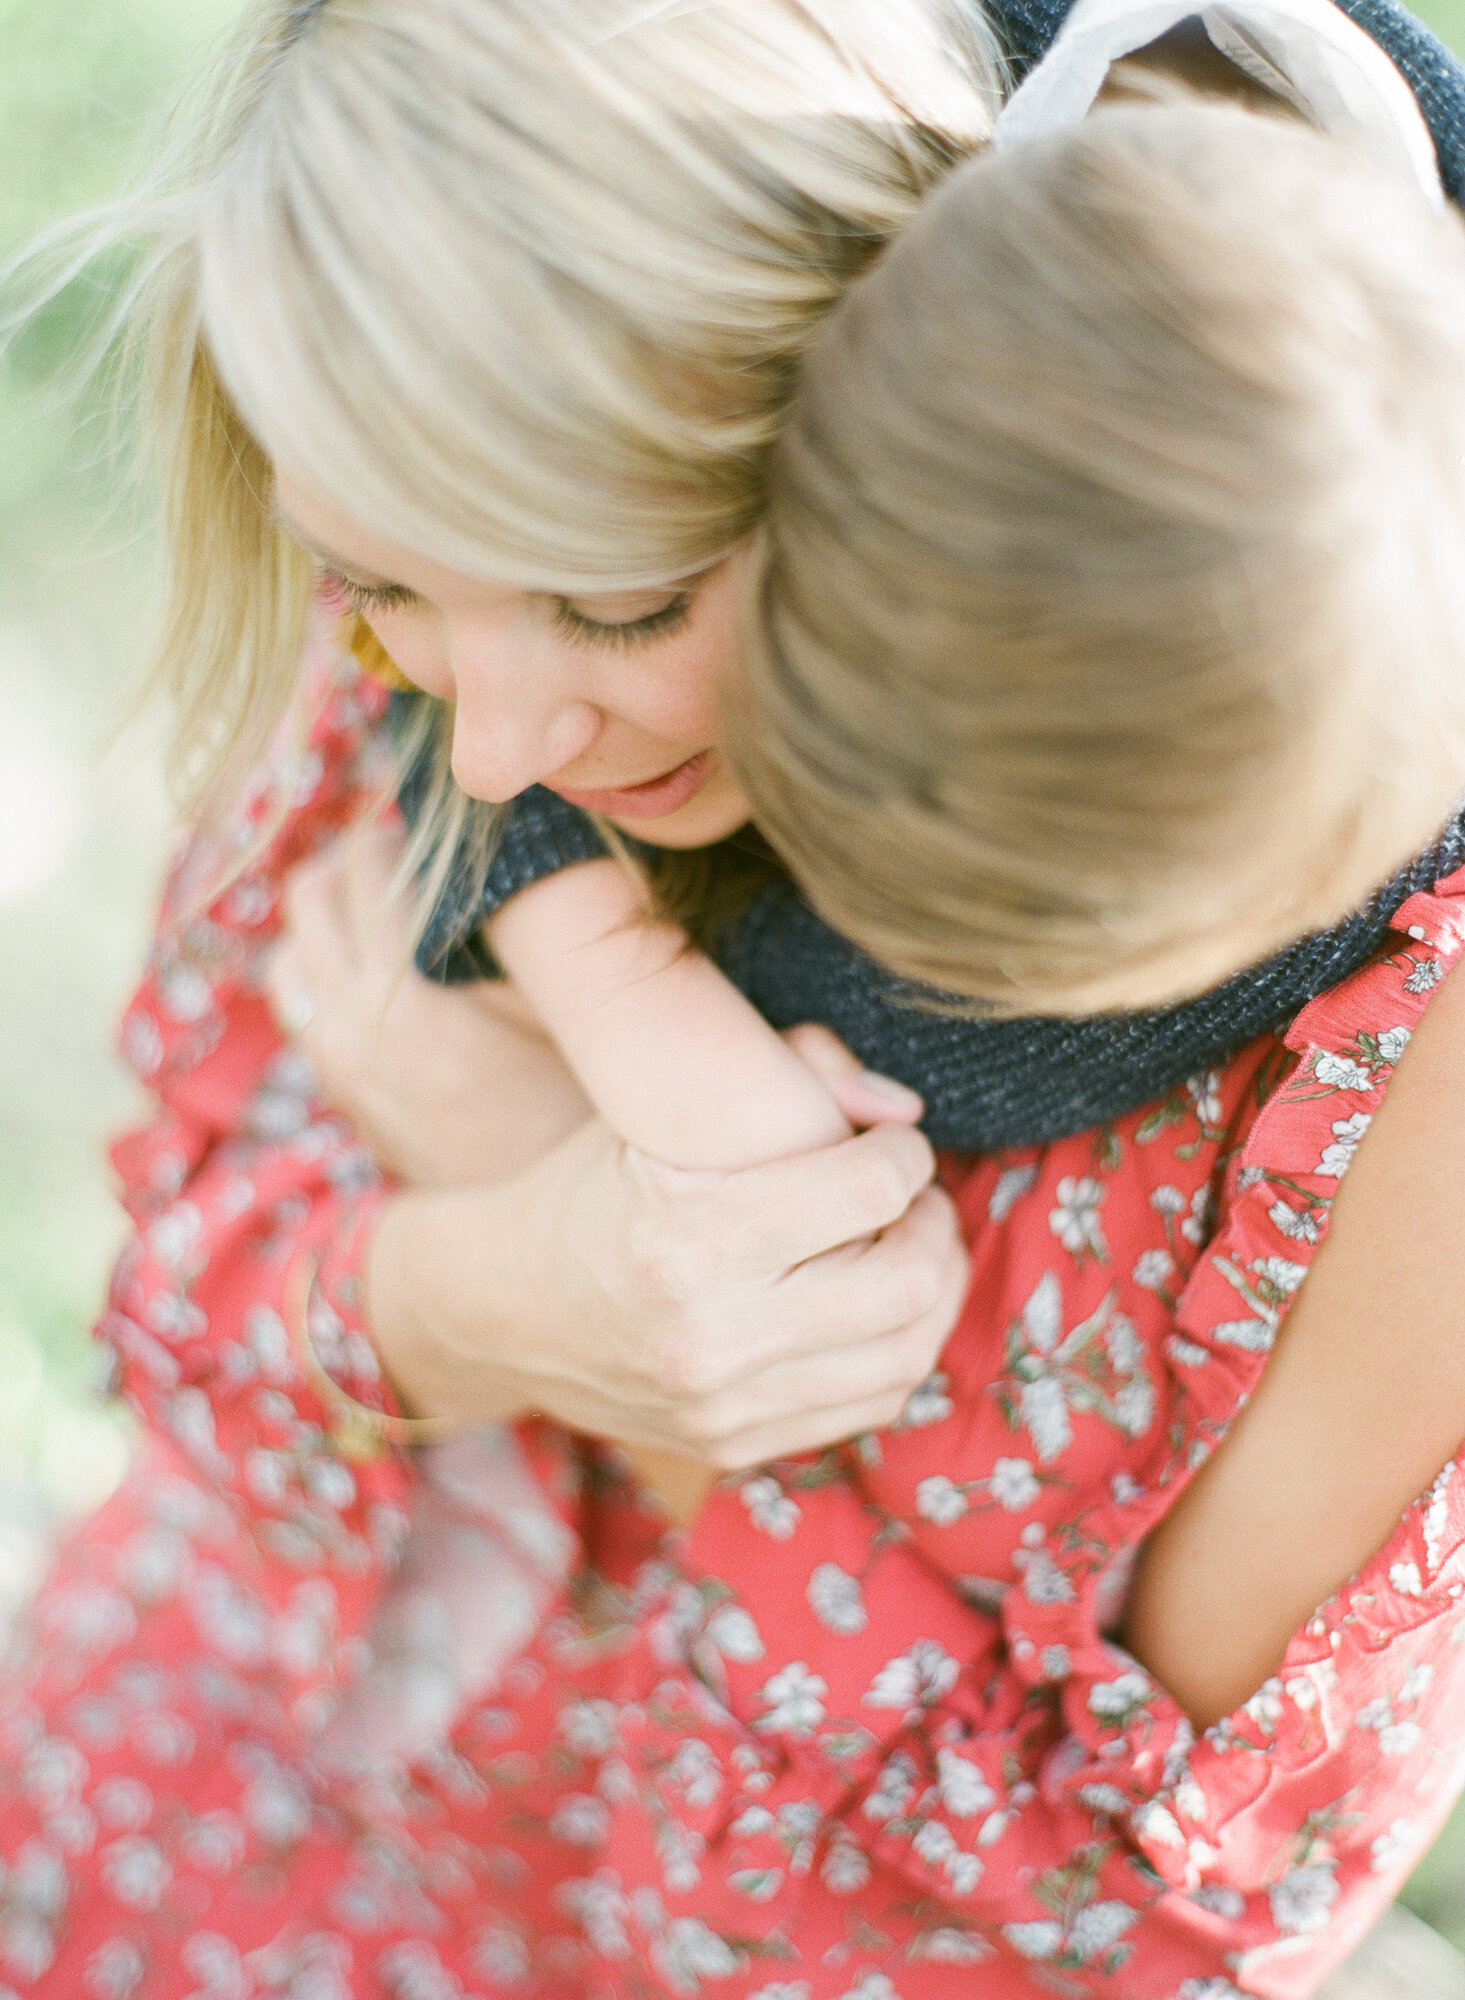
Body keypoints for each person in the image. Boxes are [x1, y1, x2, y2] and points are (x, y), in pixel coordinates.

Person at [4, 3, 1465, 1998]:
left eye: (622, 597)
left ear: (905, 429)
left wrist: (641, 1324)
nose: (499, 743)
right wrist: (493, 1279)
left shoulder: (1410, 1044)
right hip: (183, 1820)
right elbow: (182, 1309)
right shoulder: (466, 544)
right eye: (375, 588)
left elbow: (1128, 1937)